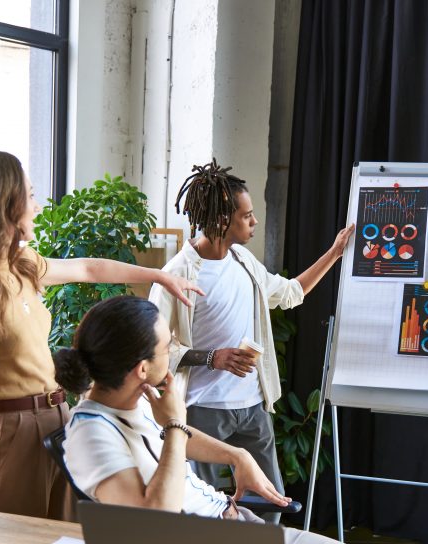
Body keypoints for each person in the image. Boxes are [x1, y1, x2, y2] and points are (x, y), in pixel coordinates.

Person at [0, 149, 201, 526]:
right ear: (1, 204)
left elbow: (88, 268)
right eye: (29, 195)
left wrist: (158, 276)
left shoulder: (19, 264)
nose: (36, 206)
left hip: (59, 422)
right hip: (9, 436)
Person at [53, 295, 389, 544]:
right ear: (142, 368)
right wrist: (173, 424)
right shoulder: (91, 434)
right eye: (167, 347)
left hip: (232, 523)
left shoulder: (134, 398)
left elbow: (176, 438)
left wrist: (236, 455)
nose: (171, 354)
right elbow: (153, 521)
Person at [149, 160, 352, 522]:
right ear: (222, 220)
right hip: (202, 411)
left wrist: (335, 253)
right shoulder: (175, 274)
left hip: (254, 407)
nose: (254, 222)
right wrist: (213, 357)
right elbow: (155, 350)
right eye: (247, 216)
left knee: (271, 504)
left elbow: (290, 293)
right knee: (201, 512)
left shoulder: (244, 261)